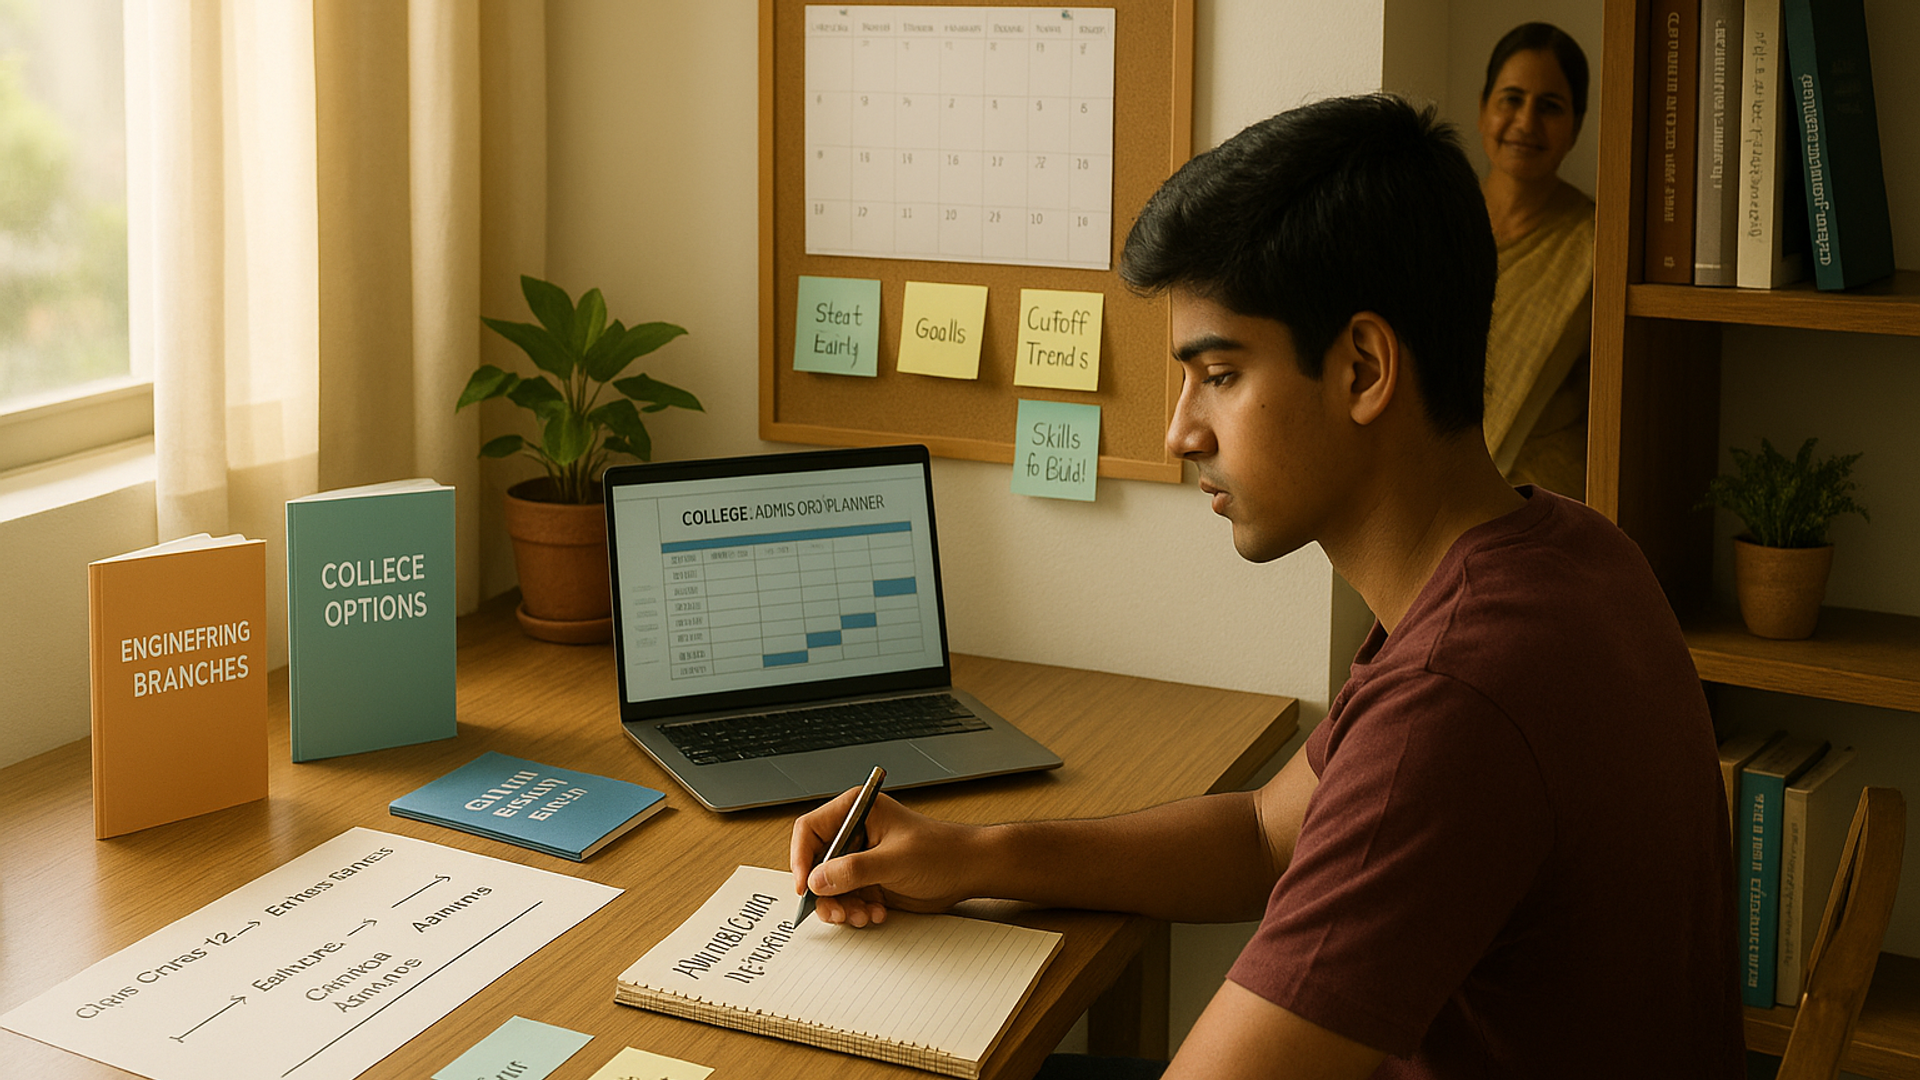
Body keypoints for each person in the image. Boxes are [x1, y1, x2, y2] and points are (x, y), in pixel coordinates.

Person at [791, 94, 1745, 1079]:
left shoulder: (1456, 699)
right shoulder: (1563, 555)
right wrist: (973, 856)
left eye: (1219, 373)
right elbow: (1262, 837)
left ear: (1364, 368)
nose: (1180, 432)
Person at [1478, 22, 1594, 500]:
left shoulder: (1596, 242)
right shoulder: (1433, 219)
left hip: (1543, 498)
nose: (1526, 123)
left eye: (1550, 107)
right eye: (1511, 99)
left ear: (1576, 127)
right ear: (1483, 108)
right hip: (1420, 494)